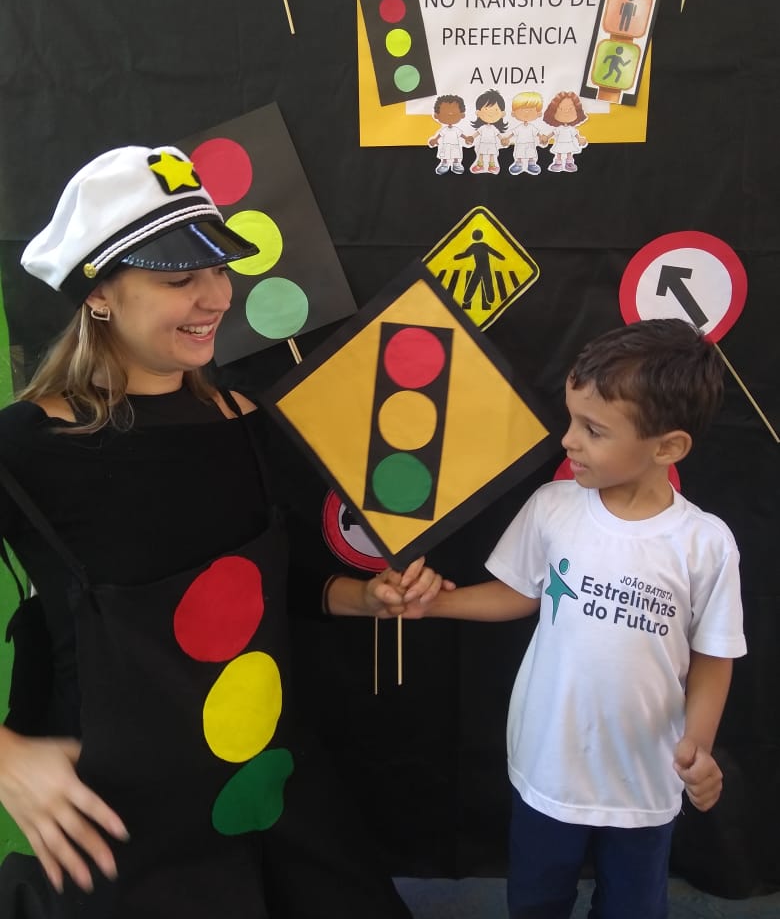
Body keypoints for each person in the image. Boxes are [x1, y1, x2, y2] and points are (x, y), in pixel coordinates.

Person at [0, 145, 449, 918]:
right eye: (180, 278)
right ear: (99, 294)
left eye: (218, 269)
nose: (215, 296)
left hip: (274, 790)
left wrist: (361, 597)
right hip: (126, 825)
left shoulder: (243, 420)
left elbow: (265, 587)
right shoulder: (27, 448)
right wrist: (5, 757)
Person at [412, 318, 747, 919]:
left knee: (634, 908)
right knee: (535, 901)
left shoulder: (706, 543)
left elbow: (714, 656)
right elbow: (520, 593)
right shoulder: (552, 507)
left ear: (667, 447)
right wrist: (434, 602)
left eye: (593, 429)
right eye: (571, 419)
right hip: (549, 767)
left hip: (644, 780)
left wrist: (697, 744)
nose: (568, 441)